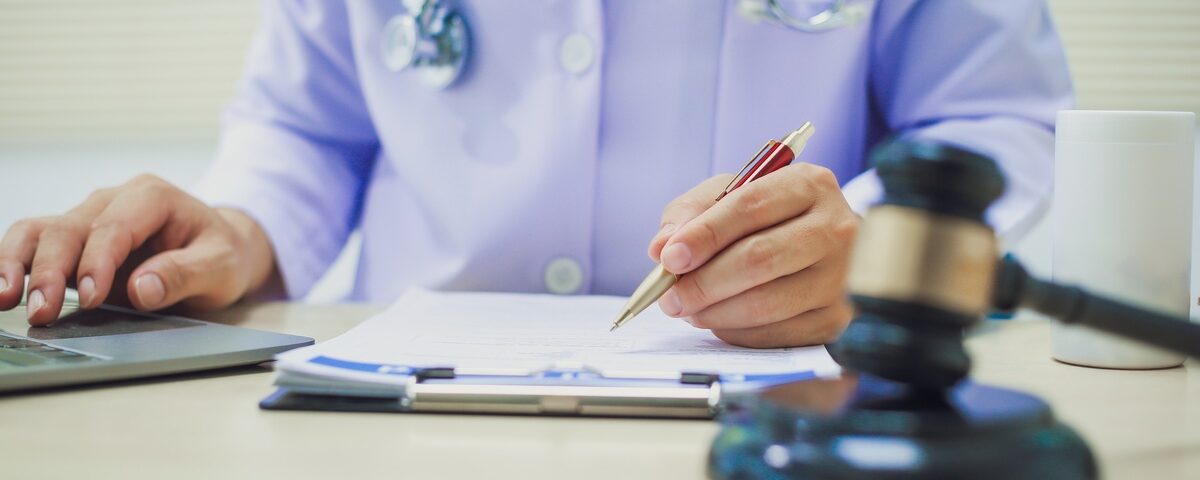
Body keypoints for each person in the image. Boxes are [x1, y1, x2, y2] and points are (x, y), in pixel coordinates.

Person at [0, 1, 1072, 348]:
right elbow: (311, 127)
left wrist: (872, 249)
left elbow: (1002, 125)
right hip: (398, 424)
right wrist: (240, 229)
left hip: (770, 411)